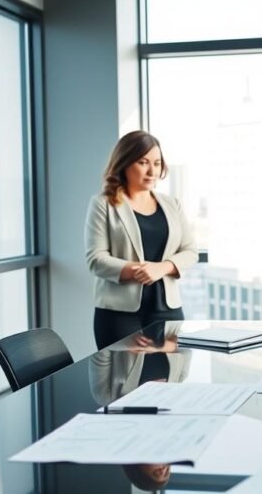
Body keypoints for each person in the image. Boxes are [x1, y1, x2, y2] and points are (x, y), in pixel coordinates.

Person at [85, 130, 198, 349]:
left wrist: (161, 268)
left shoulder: (171, 204)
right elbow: (96, 259)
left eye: (157, 163)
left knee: (170, 375)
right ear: (124, 163)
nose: (151, 171)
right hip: (118, 315)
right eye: (143, 162)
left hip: (168, 309)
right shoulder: (102, 204)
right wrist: (141, 270)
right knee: (125, 381)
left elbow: (190, 251)